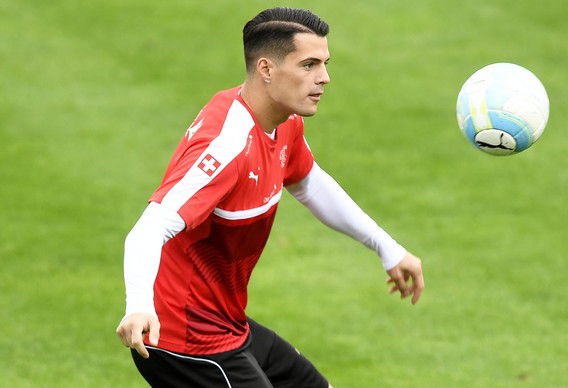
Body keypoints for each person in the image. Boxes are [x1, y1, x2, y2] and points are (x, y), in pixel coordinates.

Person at [116, 7, 424, 388]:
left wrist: (386, 247)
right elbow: (147, 230)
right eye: (309, 65)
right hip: (184, 340)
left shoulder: (283, 120)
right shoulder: (227, 145)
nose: (324, 78)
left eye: (325, 64)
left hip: (227, 322)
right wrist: (139, 308)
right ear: (266, 69)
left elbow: (310, 183)